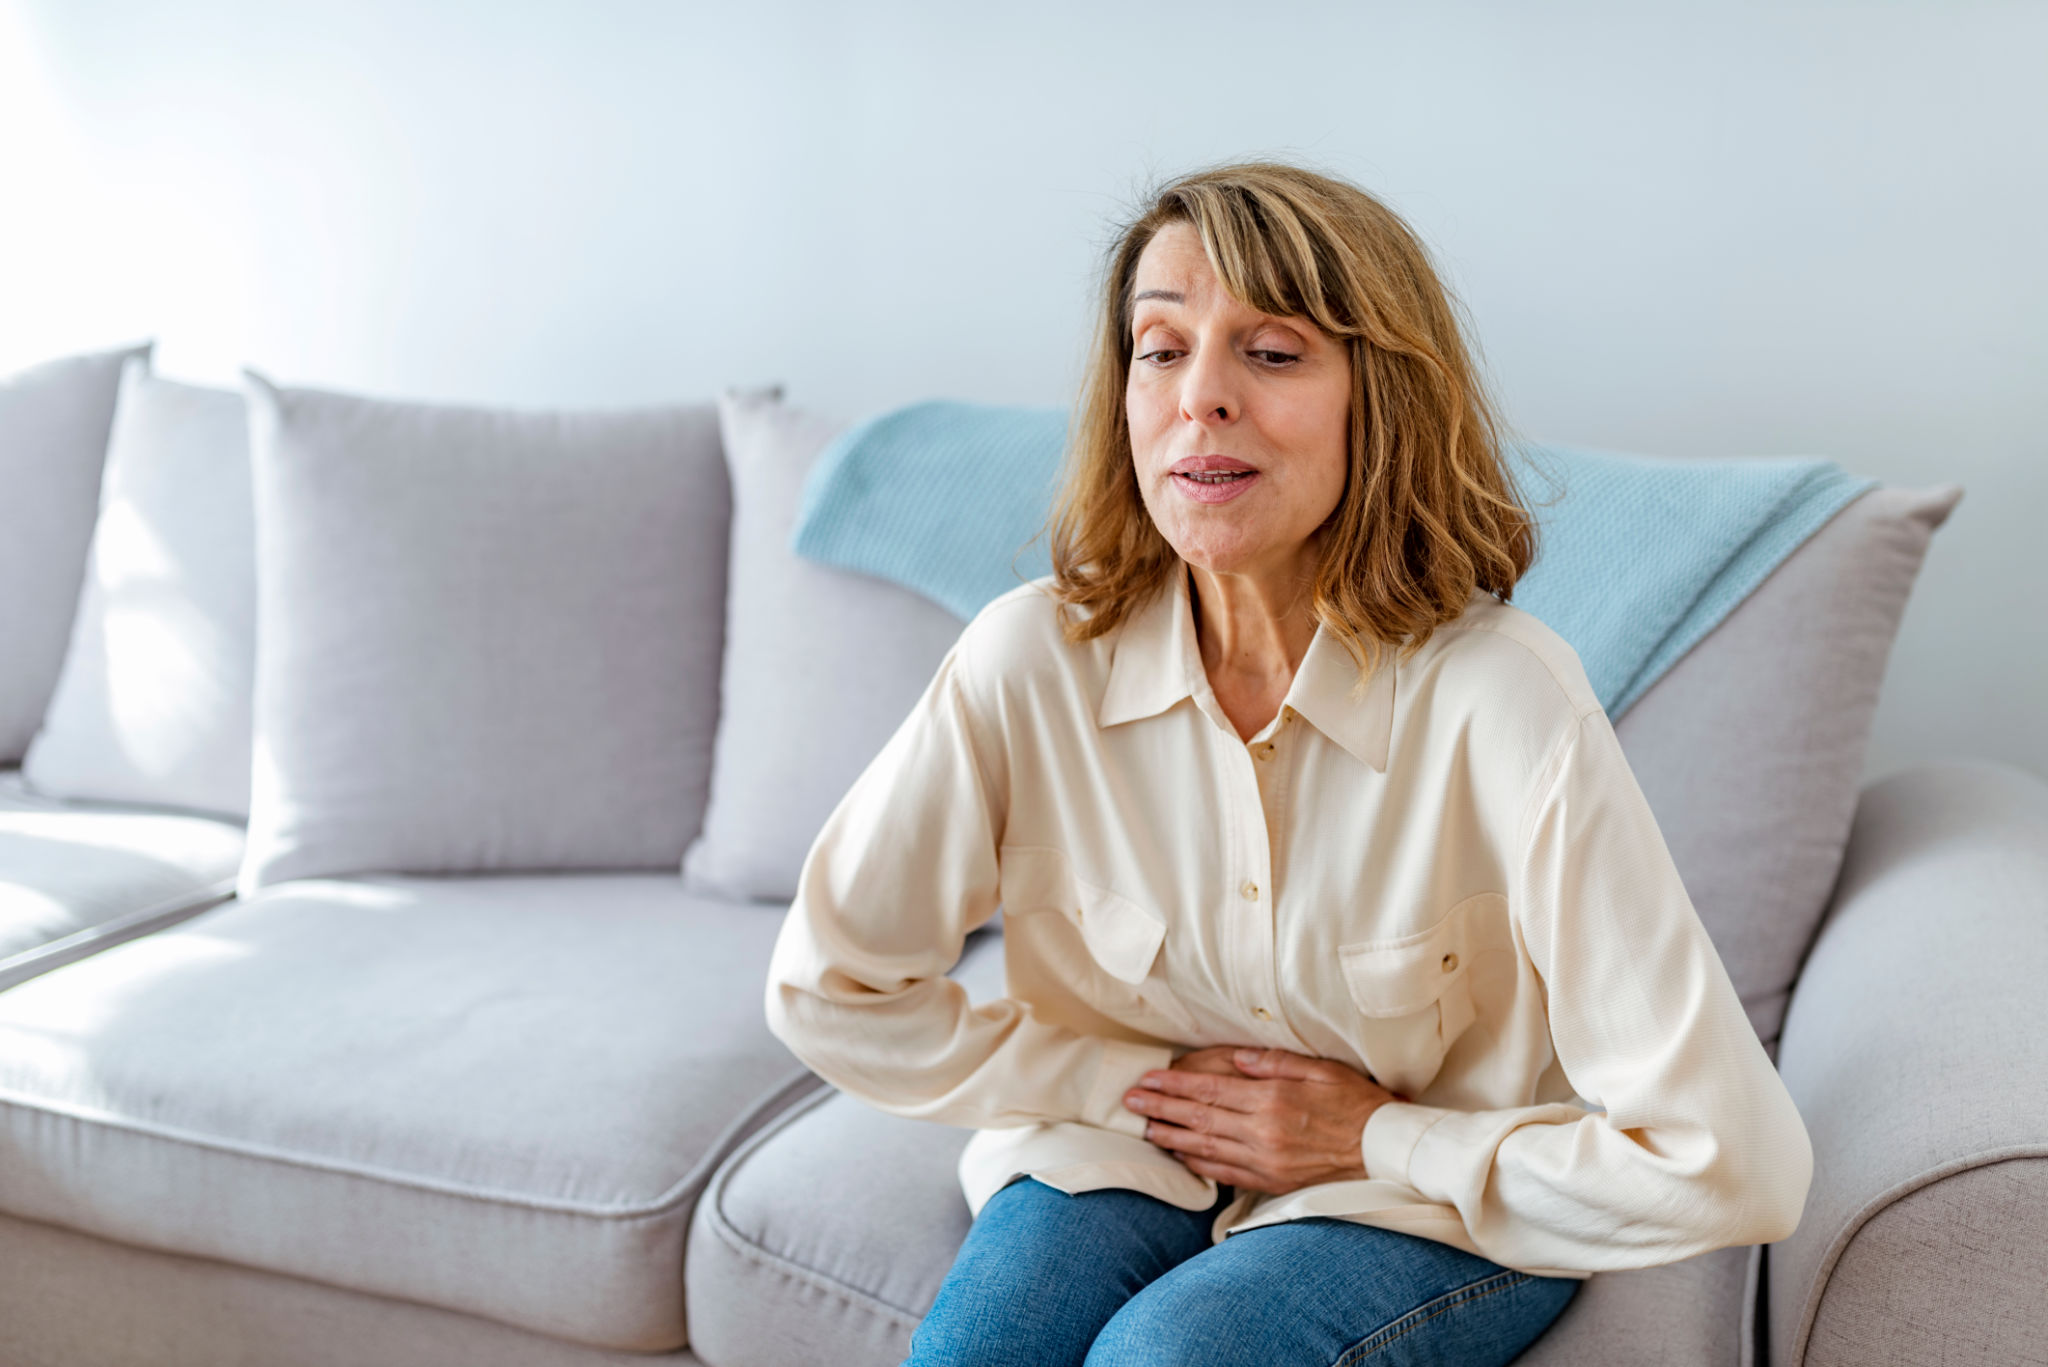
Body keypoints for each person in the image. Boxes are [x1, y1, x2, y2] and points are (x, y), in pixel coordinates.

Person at [763, 160, 1813, 1367]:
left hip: (1424, 1207)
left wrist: (1374, 1138)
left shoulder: (1503, 696)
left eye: (1271, 352)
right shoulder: (1027, 660)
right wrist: (1124, 1083)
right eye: (1159, 350)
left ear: (1381, 397)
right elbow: (829, 986)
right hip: (1117, 1158)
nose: (1199, 397)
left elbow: (1732, 1161)